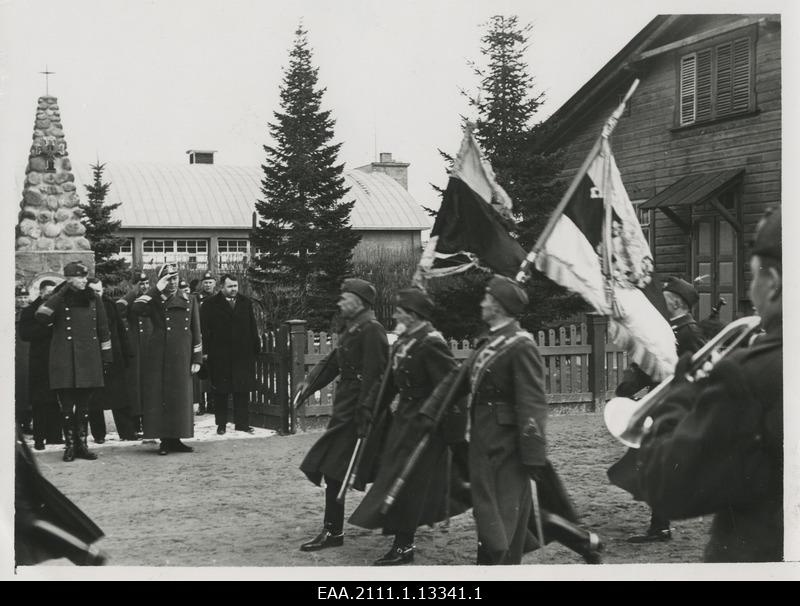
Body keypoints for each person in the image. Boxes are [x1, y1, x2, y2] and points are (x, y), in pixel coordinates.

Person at [418, 275, 603, 565]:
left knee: (501, 516)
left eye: (488, 299)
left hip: (508, 446)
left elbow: (531, 404)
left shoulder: (520, 345)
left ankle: (502, 564)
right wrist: (431, 411)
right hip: (483, 442)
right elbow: (458, 380)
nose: (482, 303)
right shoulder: (490, 341)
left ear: (500, 307)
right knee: (490, 511)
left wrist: (532, 454)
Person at [638, 207, 782, 562]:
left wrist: (682, 388)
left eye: (751, 278)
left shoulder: (748, 372)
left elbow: (670, 486)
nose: (750, 289)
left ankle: (660, 526)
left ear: (774, 282)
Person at [348, 288, 468, 566]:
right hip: (404, 418)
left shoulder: (431, 342)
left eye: (400, 310)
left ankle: (404, 547)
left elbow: (453, 387)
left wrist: (450, 431)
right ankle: (402, 541)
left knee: (408, 481)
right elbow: (388, 381)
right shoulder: (405, 340)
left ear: (413, 315)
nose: (395, 314)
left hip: (426, 422)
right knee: (396, 476)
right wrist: (369, 407)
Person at [611, 276, 707, 543]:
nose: (661, 302)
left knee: (658, 462)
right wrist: (629, 387)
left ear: (676, 302)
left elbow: (697, 372)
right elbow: (651, 363)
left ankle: (661, 526)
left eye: (665, 298)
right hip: (658, 404)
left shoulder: (690, 332)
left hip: (674, 406)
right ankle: (660, 524)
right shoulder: (669, 328)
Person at [295, 278, 388, 552]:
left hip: (361, 410)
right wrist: (308, 385)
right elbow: (333, 362)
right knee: (334, 467)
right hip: (347, 406)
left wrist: (366, 413)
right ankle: (333, 530)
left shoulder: (372, 330)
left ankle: (401, 531)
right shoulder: (354, 328)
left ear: (359, 302)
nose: (340, 302)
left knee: (375, 468)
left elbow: (377, 376)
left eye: (345, 298)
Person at [34, 261, 112, 463]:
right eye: (81, 277)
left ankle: (82, 446)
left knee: (84, 407)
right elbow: (41, 316)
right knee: (66, 408)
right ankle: (69, 446)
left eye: (86, 276)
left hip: (88, 359)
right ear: (69, 279)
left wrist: (106, 357)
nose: (85, 280)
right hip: (64, 360)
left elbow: (103, 329)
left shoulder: (93, 298)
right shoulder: (59, 299)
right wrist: (61, 292)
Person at [131, 263, 202, 456]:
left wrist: (197, 357)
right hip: (159, 355)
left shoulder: (189, 299)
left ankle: (176, 438)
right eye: (168, 278)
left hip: (181, 355)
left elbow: (196, 330)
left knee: (179, 398)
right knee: (160, 397)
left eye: (175, 278)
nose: (173, 282)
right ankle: (164, 440)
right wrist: (156, 289)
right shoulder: (154, 299)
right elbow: (136, 308)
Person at [199, 274, 261, 435]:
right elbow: (204, 331)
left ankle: (242, 423)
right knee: (221, 392)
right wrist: (205, 352)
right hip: (220, 355)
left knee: (242, 390)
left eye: (235, 286)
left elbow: (252, 326)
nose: (234, 289)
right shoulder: (209, 304)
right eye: (230, 286)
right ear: (221, 287)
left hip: (242, 355)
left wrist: (256, 348)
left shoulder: (245, 302)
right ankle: (221, 424)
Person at [86, 277, 138, 442]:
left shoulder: (109, 304)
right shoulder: (84, 307)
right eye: (93, 290)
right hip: (94, 359)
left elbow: (121, 330)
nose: (97, 293)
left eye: (99, 290)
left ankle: (127, 432)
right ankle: (99, 434)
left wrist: (127, 353)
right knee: (94, 401)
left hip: (114, 357)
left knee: (120, 398)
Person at [18, 279, 64, 450]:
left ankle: (55, 436)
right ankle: (39, 438)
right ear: (42, 292)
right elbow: (25, 334)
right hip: (39, 362)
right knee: (39, 402)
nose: (51, 296)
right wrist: (48, 328)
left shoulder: (58, 310)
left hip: (57, 360)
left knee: (56, 400)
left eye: (54, 293)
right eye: (48, 292)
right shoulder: (30, 310)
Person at [117, 271, 152, 437]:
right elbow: (120, 310)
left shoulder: (153, 299)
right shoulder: (128, 299)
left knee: (148, 387)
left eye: (146, 284)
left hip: (149, 348)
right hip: (134, 350)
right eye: (140, 284)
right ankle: (135, 423)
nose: (144, 287)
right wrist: (133, 293)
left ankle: (149, 423)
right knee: (134, 388)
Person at [193, 271, 217, 415]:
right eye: (205, 282)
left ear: (215, 283)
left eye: (210, 282)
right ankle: (201, 404)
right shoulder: (197, 297)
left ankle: (212, 403)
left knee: (214, 371)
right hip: (200, 337)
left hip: (214, 339)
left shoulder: (219, 298)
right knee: (201, 372)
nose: (207, 285)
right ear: (202, 284)